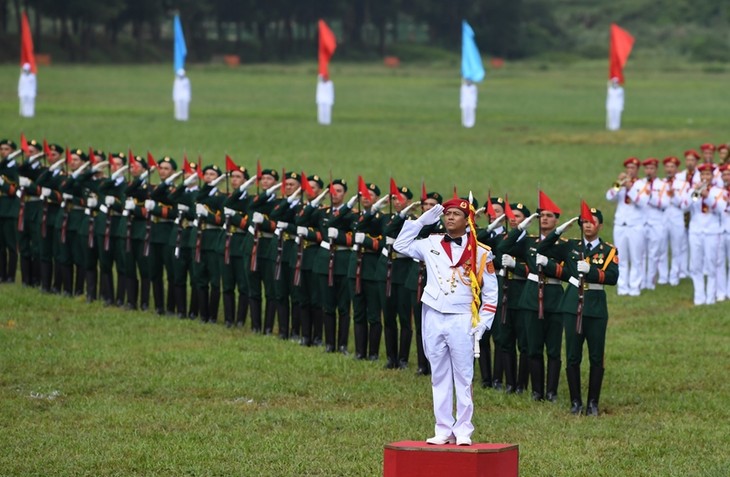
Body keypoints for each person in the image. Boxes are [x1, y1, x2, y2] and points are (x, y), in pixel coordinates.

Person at [394, 198, 497, 446]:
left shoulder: (481, 251)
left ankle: (463, 430)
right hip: (433, 314)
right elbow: (400, 245)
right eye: (447, 213)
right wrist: (420, 222)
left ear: (467, 220)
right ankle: (443, 428)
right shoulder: (431, 243)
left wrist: (483, 323)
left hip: (462, 317)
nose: (450, 218)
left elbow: (491, 293)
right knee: (438, 374)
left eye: (456, 214)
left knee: (463, 375)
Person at [536, 208, 618, 416]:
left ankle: (593, 403)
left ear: (599, 225)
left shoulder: (608, 251)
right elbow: (542, 249)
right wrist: (559, 230)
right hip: (572, 305)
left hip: (596, 307)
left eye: (592, 221)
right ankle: (575, 402)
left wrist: (591, 272)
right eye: (585, 222)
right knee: (573, 355)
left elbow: (612, 277)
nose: (588, 225)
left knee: (596, 357)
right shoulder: (571, 246)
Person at [683, 163, 726, 305]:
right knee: (696, 265)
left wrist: (707, 197)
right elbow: (684, 207)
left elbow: (721, 209)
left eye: (708, 175)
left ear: (712, 176)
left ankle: (711, 297)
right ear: (699, 176)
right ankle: (699, 297)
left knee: (711, 264)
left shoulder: (718, 191)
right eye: (703, 175)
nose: (705, 177)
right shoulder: (692, 189)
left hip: (712, 232)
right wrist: (693, 194)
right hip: (695, 231)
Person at [605, 157, 643, 296]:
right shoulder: (620, 185)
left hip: (636, 225)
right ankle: (622, 287)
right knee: (621, 258)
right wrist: (618, 184)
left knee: (636, 258)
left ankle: (634, 287)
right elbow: (609, 197)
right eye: (628, 168)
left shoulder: (641, 184)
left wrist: (630, 189)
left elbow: (642, 202)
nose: (629, 171)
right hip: (620, 225)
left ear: (637, 170)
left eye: (632, 168)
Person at [656, 156, 689, 286]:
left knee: (677, 248)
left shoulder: (683, 184)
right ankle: (663, 276)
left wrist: (674, 196)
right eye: (668, 167)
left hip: (677, 218)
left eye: (672, 167)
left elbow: (684, 204)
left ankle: (674, 275)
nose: (669, 169)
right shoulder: (660, 183)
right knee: (662, 248)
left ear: (676, 169)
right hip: (663, 218)